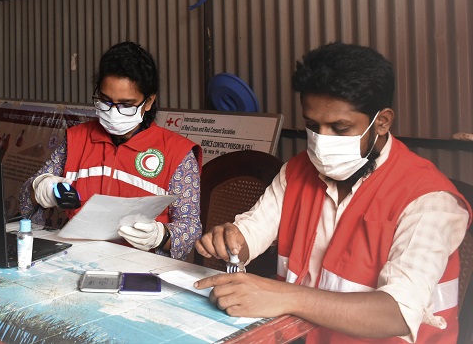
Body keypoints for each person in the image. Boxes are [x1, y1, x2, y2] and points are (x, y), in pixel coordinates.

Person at [194, 42, 471, 343]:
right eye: (312, 126)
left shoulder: (428, 200)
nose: (321, 142)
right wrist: (232, 240)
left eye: (340, 129)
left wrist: (286, 296)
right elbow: (251, 231)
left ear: (382, 121)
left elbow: (396, 314)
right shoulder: (297, 171)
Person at [19, 42, 202, 260]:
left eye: (126, 105)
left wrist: (161, 236)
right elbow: (25, 200)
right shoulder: (75, 140)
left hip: (143, 269)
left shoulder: (177, 154)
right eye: (105, 101)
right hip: (76, 260)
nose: (113, 112)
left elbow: (191, 228)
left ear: (148, 102)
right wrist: (42, 188)